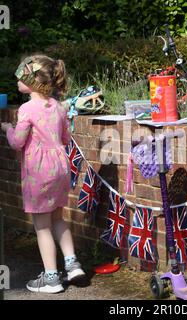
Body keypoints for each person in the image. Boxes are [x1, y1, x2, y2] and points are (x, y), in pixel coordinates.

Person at [1, 55, 85, 293]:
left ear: (34, 79)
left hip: (38, 172)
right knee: (58, 218)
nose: (17, 78)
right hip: (60, 168)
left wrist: (8, 129)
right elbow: (66, 139)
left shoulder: (27, 109)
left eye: (22, 74)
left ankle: (51, 278)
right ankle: (72, 263)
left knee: (42, 226)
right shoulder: (59, 107)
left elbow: (18, 142)